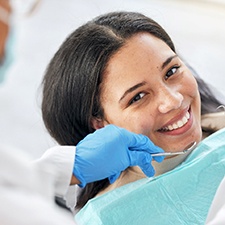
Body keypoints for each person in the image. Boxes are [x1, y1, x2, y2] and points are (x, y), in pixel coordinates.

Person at [41, 10, 225, 213]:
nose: (173, 100)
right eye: (138, 96)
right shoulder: (111, 216)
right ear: (101, 125)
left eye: (171, 71)